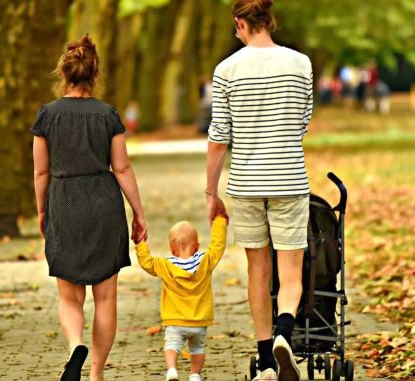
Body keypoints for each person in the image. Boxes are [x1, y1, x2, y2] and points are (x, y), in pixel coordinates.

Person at [205, 1, 313, 380]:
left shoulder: (227, 70)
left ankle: (266, 359)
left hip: (246, 184)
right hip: (289, 179)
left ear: (240, 24)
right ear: (270, 20)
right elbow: (303, 121)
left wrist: (211, 192)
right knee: (291, 270)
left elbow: (219, 137)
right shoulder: (301, 64)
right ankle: (286, 332)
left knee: (257, 269)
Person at [31, 34, 147, 381]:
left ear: (63, 74)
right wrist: (138, 213)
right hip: (103, 202)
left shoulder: (47, 116)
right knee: (106, 298)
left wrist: (42, 212)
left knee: (69, 297)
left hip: (64, 201)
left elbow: (40, 171)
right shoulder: (107, 115)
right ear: (94, 74)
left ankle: (74, 347)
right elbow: (122, 168)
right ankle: (95, 374)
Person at [135, 215, 228, 381]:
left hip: (175, 321)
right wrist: (219, 221)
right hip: (199, 321)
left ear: (172, 248)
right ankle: (195, 374)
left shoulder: (165, 265)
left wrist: (140, 242)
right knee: (198, 348)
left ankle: (172, 370)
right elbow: (217, 246)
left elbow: (146, 263)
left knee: (171, 345)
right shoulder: (205, 261)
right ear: (197, 246)